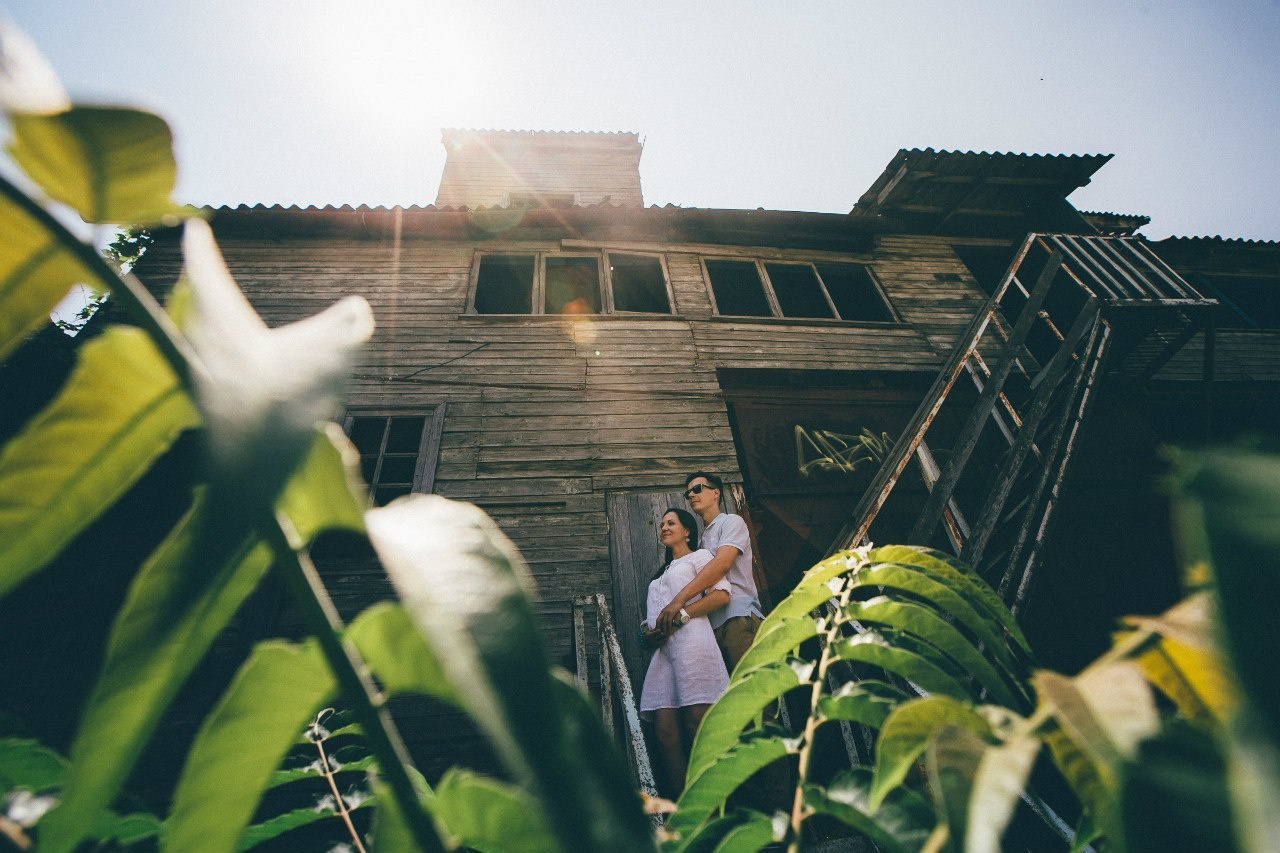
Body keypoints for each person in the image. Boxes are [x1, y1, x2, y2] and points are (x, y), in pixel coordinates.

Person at [639, 507, 731, 795]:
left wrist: (682, 616)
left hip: (693, 644)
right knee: (665, 732)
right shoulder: (660, 574)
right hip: (664, 653)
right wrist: (649, 632)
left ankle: (714, 808)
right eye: (662, 524)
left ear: (687, 531)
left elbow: (721, 595)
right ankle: (686, 811)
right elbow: (654, 614)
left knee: (697, 724)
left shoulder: (700, 558)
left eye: (671, 523)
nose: (664, 527)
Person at [655, 471, 764, 674]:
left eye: (697, 489)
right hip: (711, 628)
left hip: (737, 617)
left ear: (716, 493)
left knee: (751, 693)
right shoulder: (701, 542)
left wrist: (679, 600)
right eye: (688, 493)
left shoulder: (731, 522)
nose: (692, 495)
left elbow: (722, 564)